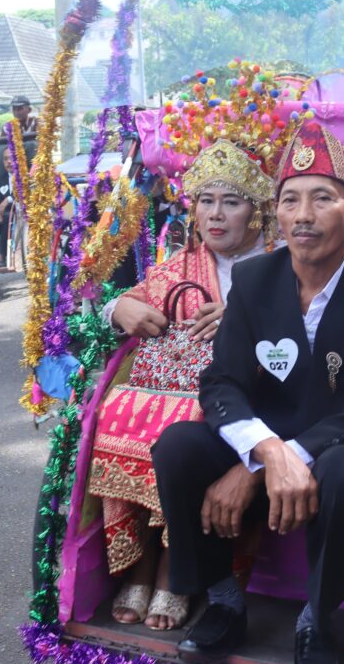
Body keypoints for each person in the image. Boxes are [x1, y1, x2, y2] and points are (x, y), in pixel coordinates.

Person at [152, 122, 344, 664]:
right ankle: (224, 601)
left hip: (339, 446)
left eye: (323, 199)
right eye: (290, 200)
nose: (303, 216)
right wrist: (264, 456)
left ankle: (318, 620)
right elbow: (221, 382)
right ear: (275, 213)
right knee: (178, 446)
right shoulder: (254, 280)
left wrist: (286, 458)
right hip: (266, 440)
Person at [88, 139, 277, 631]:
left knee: (184, 421)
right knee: (119, 408)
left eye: (231, 202)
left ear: (258, 210)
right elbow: (129, 297)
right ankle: (141, 561)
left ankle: (174, 569)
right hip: (163, 398)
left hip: (248, 406)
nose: (215, 215)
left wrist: (244, 319)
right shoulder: (180, 266)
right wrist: (120, 309)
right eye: (206, 201)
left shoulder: (282, 266)